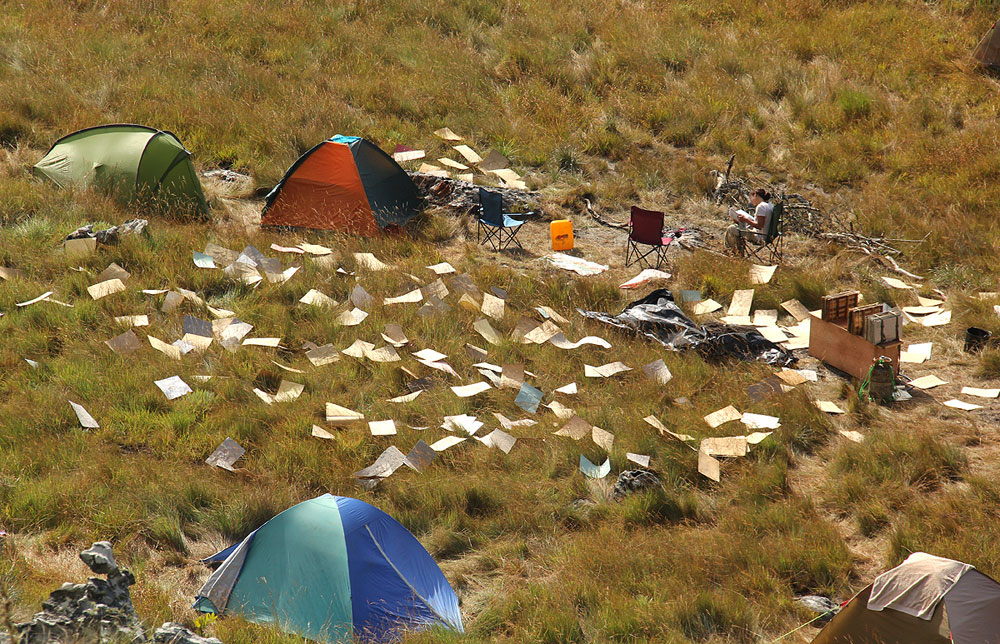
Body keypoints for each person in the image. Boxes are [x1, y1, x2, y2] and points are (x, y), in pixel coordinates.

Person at [725, 188, 773, 255]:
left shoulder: (761, 207)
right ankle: (739, 252)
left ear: (755, 195)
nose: (751, 201)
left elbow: (759, 226)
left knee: (731, 228)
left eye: (751, 198)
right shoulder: (770, 205)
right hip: (766, 235)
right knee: (738, 227)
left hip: (759, 237)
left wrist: (745, 219)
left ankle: (733, 252)